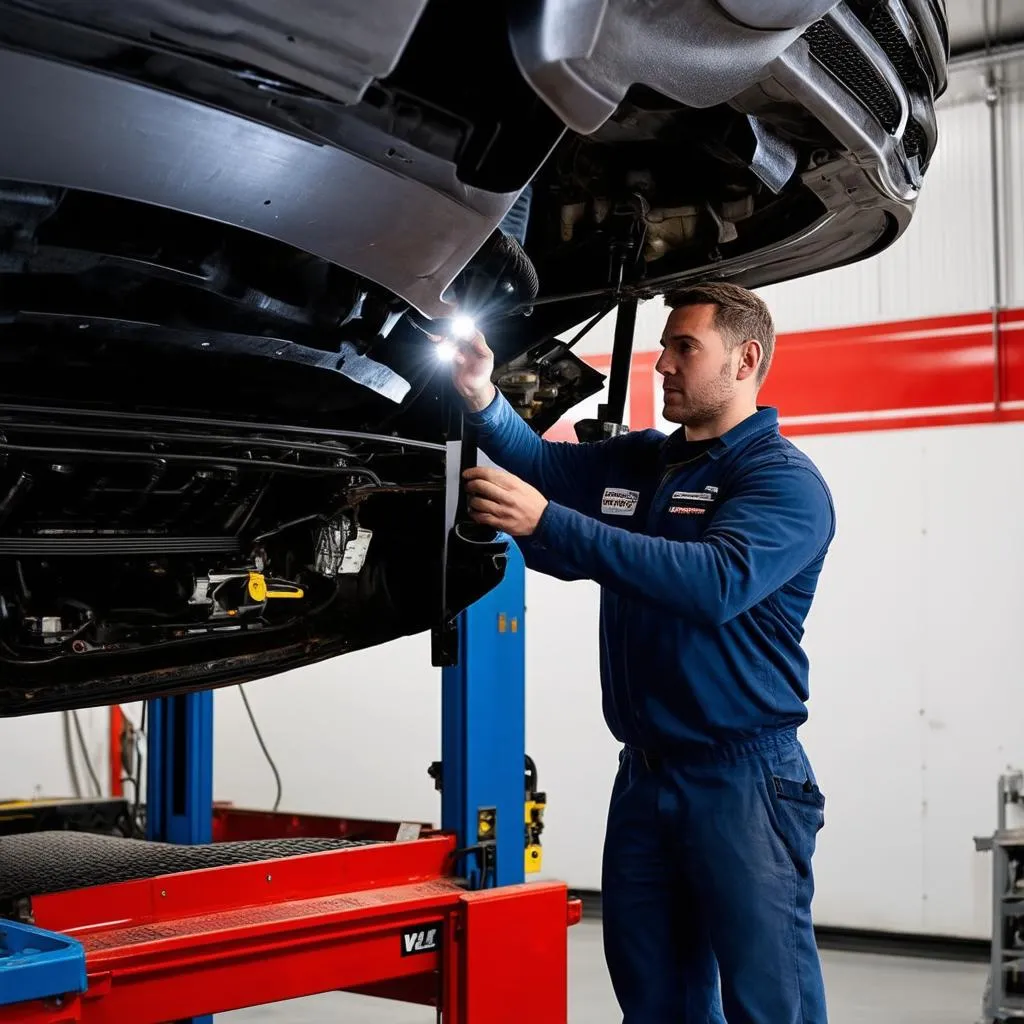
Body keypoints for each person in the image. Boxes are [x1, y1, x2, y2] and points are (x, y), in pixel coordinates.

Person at [448, 282, 836, 1024]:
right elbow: (544, 467)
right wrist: (481, 399)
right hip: (646, 777)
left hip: (744, 779)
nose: (663, 364)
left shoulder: (782, 483)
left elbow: (715, 583)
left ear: (746, 359)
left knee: (771, 1004)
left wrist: (554, 527)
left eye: (685, 347)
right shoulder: (644, 464)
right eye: (664, 346)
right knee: (656, 1001)